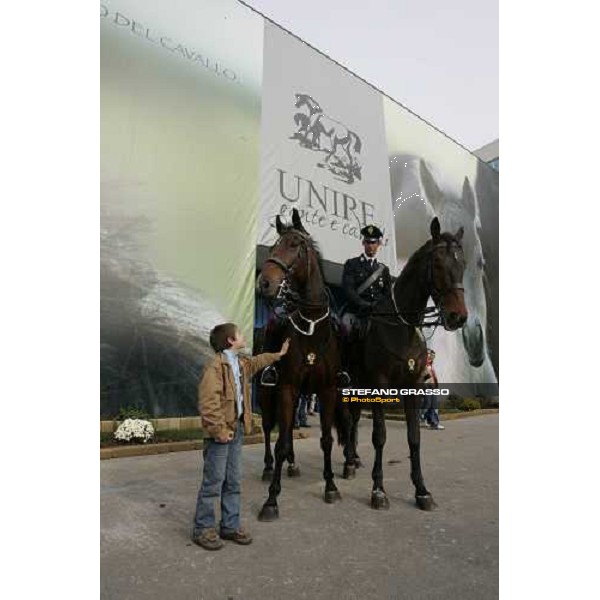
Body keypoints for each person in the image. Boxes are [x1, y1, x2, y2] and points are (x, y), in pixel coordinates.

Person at [192, 322, 290, 550]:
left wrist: (279, 354)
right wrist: (219, 431)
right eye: (240, 334)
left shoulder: (241, 363)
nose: (244, 336)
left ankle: (229, 525)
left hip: (235, 431)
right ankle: (202, 528)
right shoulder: (215, 367)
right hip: (220, 434)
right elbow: (208, 404)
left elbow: (258, 361)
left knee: (233, 481)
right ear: (230, 341)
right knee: (213, 483)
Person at [340, 225, 392, 380]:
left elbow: (387, 295)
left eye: (374, 243)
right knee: (346, 329)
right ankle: (343, 369)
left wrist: (380, 307)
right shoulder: (352, 264)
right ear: (363, 243)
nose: (371, 246)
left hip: (377, 314)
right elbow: (348, 290)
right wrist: (364, 304)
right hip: (356, 312)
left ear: (379, 245)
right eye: (368, 242)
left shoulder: (384, 270)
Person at [420, 349, 445, 430]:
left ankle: (433, 423)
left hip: (432, 387)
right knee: (428, 403)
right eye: (429, 355)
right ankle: (422, 418)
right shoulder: (422, 366)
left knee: (433, 405)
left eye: (432, 356)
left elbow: (433, 377)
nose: (431, 357)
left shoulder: (431, 366)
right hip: (426, 386)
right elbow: (422, 377)